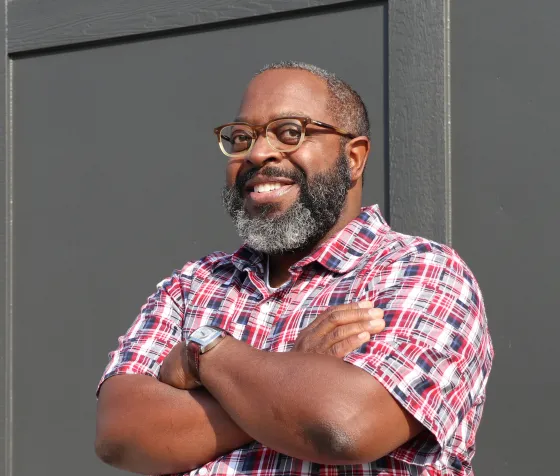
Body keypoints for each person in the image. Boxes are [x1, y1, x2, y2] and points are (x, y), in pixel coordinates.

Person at [95, 62, 493, 476]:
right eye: (242, 137)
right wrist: (292, 370)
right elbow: (121, 434)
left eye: (289, 132)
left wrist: (203, 356)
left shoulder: (419, 272)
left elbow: (344, 425)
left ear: (353, 157)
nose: (257, 153)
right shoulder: (193, 285)